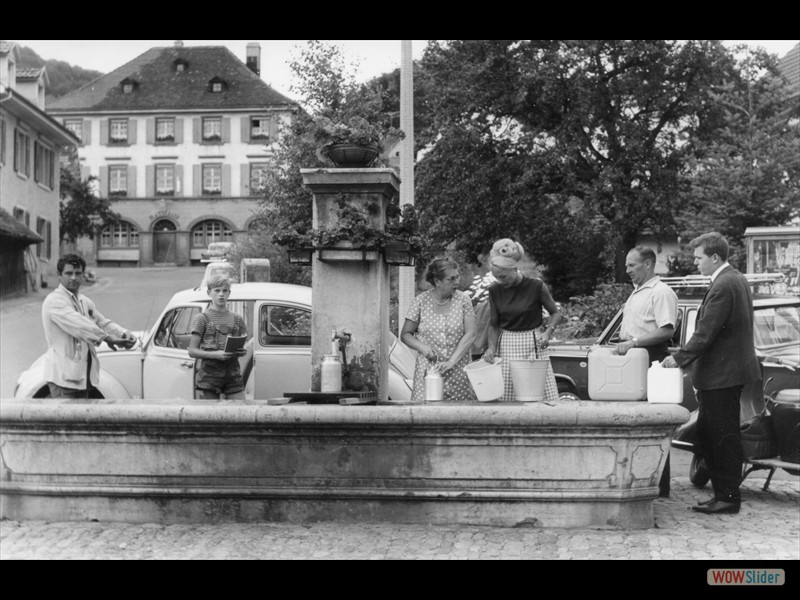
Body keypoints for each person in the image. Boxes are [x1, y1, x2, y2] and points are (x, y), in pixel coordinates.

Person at [662, 232, 760, 515]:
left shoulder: (723, 285)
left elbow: (705, 333)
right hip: (728, 374)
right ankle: (723, 494)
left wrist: (679, 359)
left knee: (722, 437)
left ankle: (727, 497)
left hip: (722, 375)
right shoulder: (736, 279)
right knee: (713, 434)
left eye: (698, 257)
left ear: (714, 257)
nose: (695, 262)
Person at [615, 245, 679, 497]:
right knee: (635, 420)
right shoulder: (637, 291)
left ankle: (658, 485)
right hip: (634, 358)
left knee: (653, 423)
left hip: (651, 358)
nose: (627, 270)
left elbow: (666, 330)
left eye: (632, 265)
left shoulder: (661, 292)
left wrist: (634, 343)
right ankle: (641, 480)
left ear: (648, 264)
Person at [41, 254, 135, 399]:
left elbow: (102, 322)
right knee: (67, 420)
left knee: (79, 420)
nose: (73, 277)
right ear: (59, 276)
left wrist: (123, 334)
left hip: (82, 376)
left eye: (77, 273)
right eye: (68, 273)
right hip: (63, 378)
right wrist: (107, 338)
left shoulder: (84, 301)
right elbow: (80, 325)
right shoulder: (55, 301)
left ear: (83, 275)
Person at [482, 239, 563, 402]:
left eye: (503, 277)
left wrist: (547, 332)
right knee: (509, 397)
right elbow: (494, 324)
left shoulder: (536, 286)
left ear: (514, 269)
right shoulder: (494, 290)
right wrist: (491, 348)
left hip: (533, 344)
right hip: (507, 346)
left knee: (538, 396)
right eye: (497, 277)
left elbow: (555, 313)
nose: (500, 281)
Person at [401, 257, 477, 403]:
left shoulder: (463, 300)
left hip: (458, 371)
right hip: (429, 373)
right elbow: (405, 334)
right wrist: (422, 347)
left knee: (458, 418)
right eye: (451, 279)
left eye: (457, 277)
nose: (457, 282)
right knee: (425, 417)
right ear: (437, 281)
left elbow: (471, 333)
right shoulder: (420, 301)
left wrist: (452, 362)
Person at [188, 275, 248, 400]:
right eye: (217, 290)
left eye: (224, 291)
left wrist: (242, 352)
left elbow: (242, 347)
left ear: (229, 293)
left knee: (240, 411)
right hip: (209, 376)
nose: (221, 294)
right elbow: (192, 351)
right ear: (209, 293)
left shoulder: (238, 319)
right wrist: (216, 355)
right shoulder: (201, 318)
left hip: (233, 375)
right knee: (209, 415)